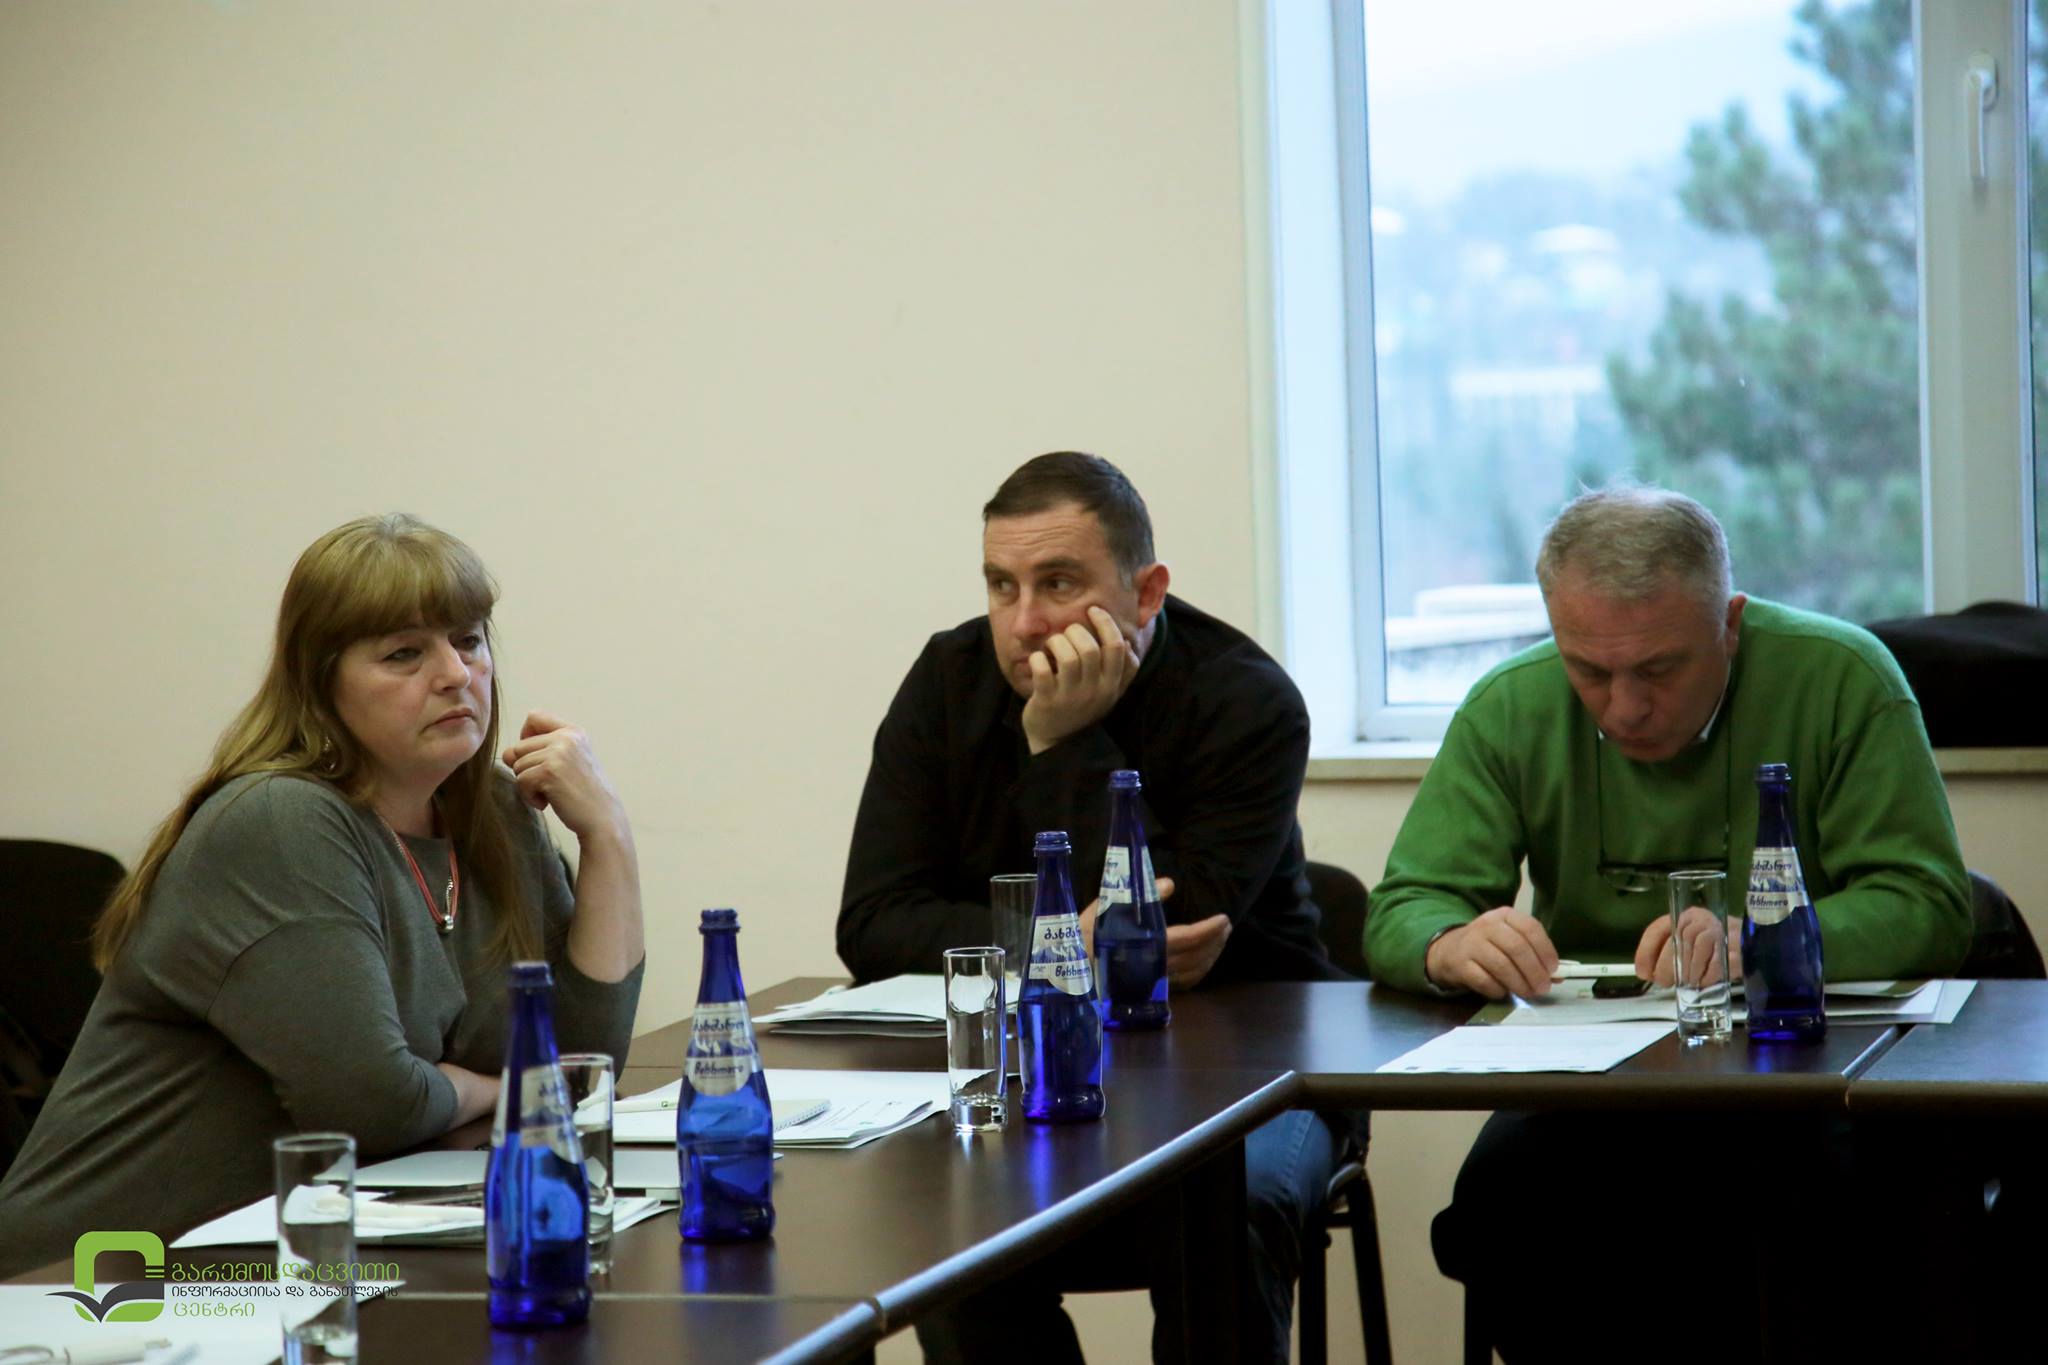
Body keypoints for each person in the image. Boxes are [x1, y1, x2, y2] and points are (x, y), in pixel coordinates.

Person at [1367, 484, 1971, 1361]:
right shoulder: (1511, 705)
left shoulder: (1844, 679)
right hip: (1590, 1090)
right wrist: (1449, 942)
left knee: (1814, 1218)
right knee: (1505, 1203)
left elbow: (1928, 902)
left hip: (1805, 1077)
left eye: (1658, 670)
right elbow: (1403, 906)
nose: (1623, 707)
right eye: (1588, 670)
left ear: (1729, 623)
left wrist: (1760, 946)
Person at [0, 514, 644, 1279]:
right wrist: (497, 1088)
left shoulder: (494, 813)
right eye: (404, 653)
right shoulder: (282, 822)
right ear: (320, 682)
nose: (454, 673)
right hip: (103, 1277)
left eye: (468, 640)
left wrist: (608, 834)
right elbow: (374, 1104)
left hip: (296, 1259)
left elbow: (578, 1071)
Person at [839, 450, 1352, 1364]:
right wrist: (1057, 948)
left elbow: (1162, 938)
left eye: (1059, 583)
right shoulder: (948, 680)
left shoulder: (1247, 699)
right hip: (1031, 1067)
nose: (1024, 622)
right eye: (1001, 585)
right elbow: (872, 923)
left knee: (1227, 1210)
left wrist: (1062, 743)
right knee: (953, 1215)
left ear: (1145, 592)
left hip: (1254, 1066)